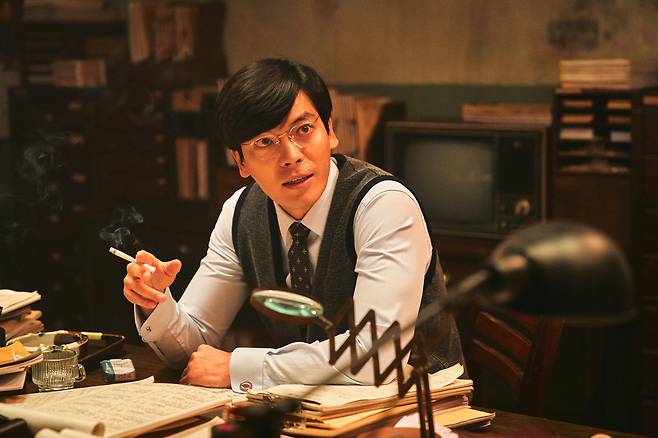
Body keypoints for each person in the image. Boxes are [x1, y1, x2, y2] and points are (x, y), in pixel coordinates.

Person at [122, 58, 464, 392]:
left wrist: (239, 367)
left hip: (421, 406)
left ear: (330, 131)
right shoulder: (240, 213)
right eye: (265, 142)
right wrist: (156, 304)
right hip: (309, 409)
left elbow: (375, 356)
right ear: (240, 161)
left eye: (303, 130)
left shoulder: (383, 205)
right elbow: (194, 348)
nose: (291, 156)